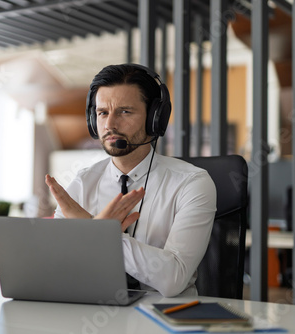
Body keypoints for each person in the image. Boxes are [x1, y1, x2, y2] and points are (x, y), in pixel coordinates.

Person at [45, 64, 216, 297]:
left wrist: (97, 232)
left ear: (155, 118)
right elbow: (55, 265)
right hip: (91, 313)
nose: (110, 124)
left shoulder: (191, 183)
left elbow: (173, 279)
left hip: (163, 317)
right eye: (102, 112)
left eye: (125, 112)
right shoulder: (83, 182)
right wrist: (101, 232)